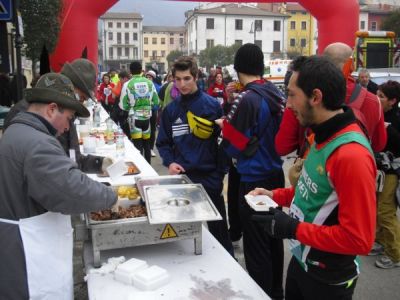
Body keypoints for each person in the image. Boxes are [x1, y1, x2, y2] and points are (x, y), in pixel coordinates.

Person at [250, 56, 376, 299]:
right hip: (302, 261)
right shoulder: (320, 134)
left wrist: (294, 229)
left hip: (328, 280)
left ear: (315, 97)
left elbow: (359, 240)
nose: (287, 104)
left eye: (292, 95)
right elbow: (312, 192)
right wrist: (274, 196)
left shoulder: (351, 155)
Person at [0, 73, 117, 299]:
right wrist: (110, 196)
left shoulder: (18, 131)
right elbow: (71, 190)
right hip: (27, 251)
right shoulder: (38, 143)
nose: (67, 126)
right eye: (69, 117)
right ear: (52, 109)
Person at [215, 43, 286, 298]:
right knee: (274, 238)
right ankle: (277, 291)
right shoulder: (275, 93)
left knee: (256, 246)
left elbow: (233, 145)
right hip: (275, 173)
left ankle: (260, 293)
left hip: (253, 178)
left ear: (237, 68)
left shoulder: (247, 98)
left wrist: (224, 126)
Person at [156, 56, 233, 255]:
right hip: (183, 179)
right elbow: (163, 142)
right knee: (183, 235)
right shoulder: (170, 110)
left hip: (209, 178)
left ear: (196, 76)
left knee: (219, 234)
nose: (182, 84)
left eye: (187, 78)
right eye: (178, 79)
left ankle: (228, 269)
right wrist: (170, 162)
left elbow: (224, 143)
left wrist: (220, 174)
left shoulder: (212, 106)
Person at [3, 58, 113, 174]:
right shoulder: (26, 116)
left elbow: (72, 158)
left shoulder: (64, 112)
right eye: (80, 98)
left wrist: (99, 163)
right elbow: (53, 171)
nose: (80, 104)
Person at [371, 80, 400, 269]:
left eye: (381, 96)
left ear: (392, 101)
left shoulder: (395, 118)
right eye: (377, 94)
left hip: (391, 171)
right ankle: (382, 243)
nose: (376, 98)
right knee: (376, 207)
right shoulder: (379, 113)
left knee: (385, 211)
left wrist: (388, 127)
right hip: (378, 170)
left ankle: (395, 253)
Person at [120, 61, 159, 163]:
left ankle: (141, 167)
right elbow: (156, 101)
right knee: (146, 144)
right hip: (147, 117)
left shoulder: (127, 84)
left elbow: (123, 106)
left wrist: (132, 105)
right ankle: (148, 165)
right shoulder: (150, 83)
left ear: (130, 71)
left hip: (134, 118)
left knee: (137, 145)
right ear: (141, 70)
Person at [145, 70, 161, 157]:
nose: (148, 78)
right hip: (144, 110)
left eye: (150, 77)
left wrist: (155, 106)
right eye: (147, 77)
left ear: (153, 78)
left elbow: (159, 100)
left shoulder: (158, 87)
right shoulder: (143, 86)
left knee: (153, 130)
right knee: (145, 129)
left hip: (154, 111)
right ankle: (145, 148)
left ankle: (150, 148)